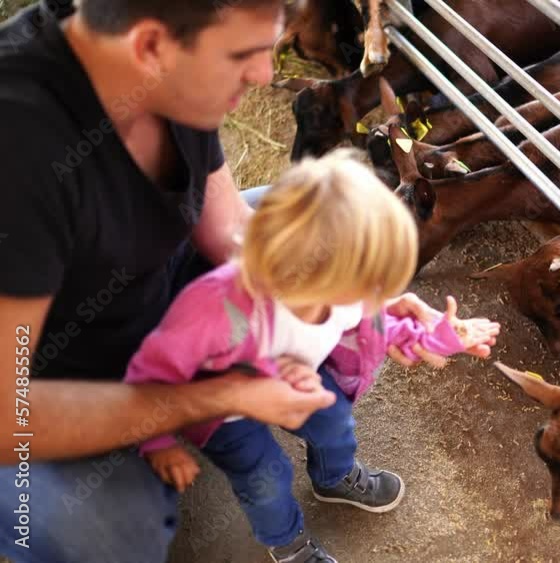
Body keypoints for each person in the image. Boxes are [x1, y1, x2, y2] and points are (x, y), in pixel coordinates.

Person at [0, 1, 495, 562]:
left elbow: (229, 226)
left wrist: (364, 288)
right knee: (110, 532)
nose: (264, 76)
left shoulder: (176, 71)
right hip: (54, 376)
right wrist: (219, 395)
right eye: (244, 55)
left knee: (326, 231)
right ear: (149, 47)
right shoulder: (21, 157)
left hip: (165, 287)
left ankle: (309, 457)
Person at [124, 148, 500, 562]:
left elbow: (384, 328)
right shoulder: (212, 310)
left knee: (335, 423)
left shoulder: (345, 291)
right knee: (265, 476)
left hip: (295, 377)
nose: (375, 293)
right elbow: (150, 373)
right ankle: (287, 543)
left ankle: (333, 475)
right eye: (369, 279)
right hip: (221, 406)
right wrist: (157, 441)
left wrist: (442, 337)